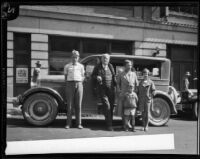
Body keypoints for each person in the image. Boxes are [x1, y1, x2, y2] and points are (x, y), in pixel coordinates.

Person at [91, 54, 117, 131]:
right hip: (102, 89)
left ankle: (109, 122)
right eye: (104, 58)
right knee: (107, 106)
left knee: (111, 107)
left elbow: (114, 76)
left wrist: (117, 85)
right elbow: (93, 76)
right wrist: (96, 77)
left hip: (111, 89)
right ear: (101, 59)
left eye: (107, 58)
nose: (105, 59)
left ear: (109, 60)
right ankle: (109, 125)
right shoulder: (97, 67)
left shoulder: (111, 66)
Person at [64, 50, 85, 129]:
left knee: (78, 105)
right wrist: (68, 84)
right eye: (73, 57)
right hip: (70, 84)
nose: (74, 58)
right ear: (71, 57)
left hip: (79, 84)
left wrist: (80, 82)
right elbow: (65, 77)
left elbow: (83, 76)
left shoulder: (81, 66)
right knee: (69, 105)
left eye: (76, 57)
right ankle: (68, 124)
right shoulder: (67, 66)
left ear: (78, 58)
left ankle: (79, 123)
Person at [116, 60, 138, 128]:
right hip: (123, 94)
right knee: (123, 110)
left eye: (131, 65)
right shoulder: (121, 74)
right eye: (128, 65)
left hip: (131, 95)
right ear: (125, 66)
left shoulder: (134, 74)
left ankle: (128, 123)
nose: (130, 66)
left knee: (131, 108)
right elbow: (117, 84)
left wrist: (135, 92)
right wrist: (119, 91)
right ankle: (125, 124)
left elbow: (137, 83)